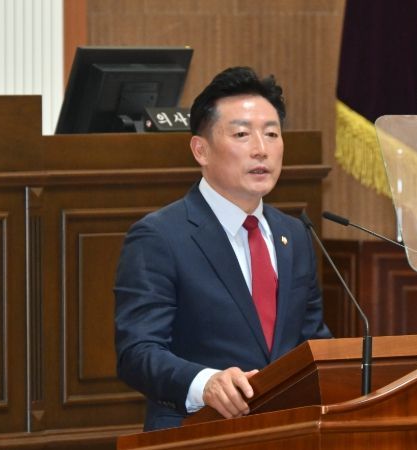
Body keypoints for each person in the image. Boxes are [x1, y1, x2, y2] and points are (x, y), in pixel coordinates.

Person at [114, 67, 332, 431]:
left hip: (285, 432)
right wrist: (206, 384)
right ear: (200, 150)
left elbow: (311, 344)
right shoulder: (159, 237)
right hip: (197, 431)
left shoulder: (293, 235)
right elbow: (137, 353)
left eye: (272, 134)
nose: (261, 149)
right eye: (242, 134)